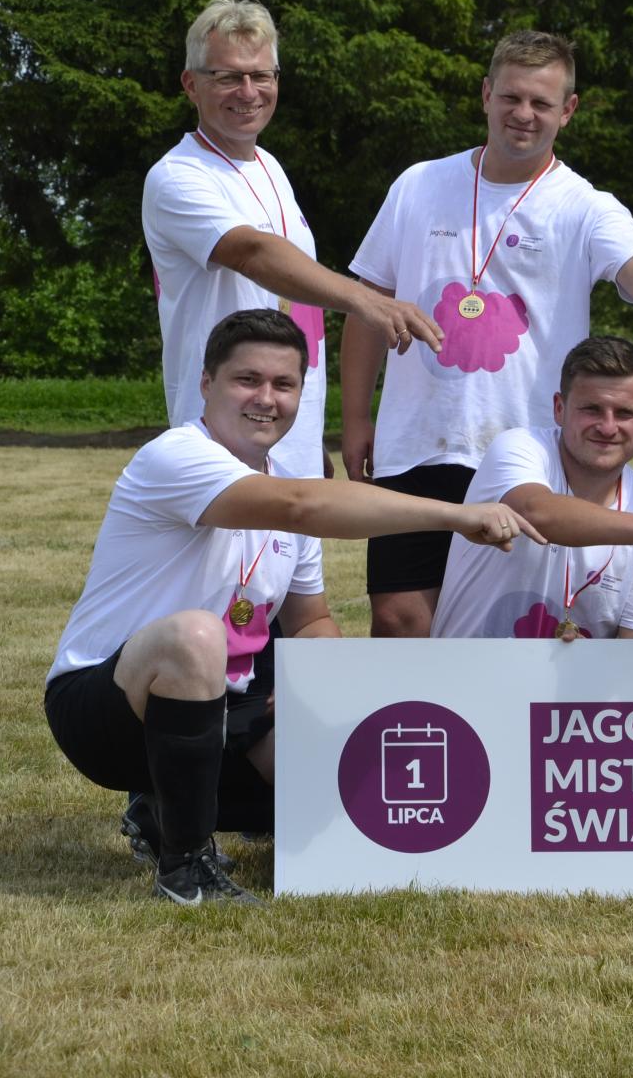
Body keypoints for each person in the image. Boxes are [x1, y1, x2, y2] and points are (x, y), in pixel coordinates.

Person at [45, 310, 539, 905]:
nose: (266, 398)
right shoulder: (176, 455)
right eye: (246, 380)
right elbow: (300, 506)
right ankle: (186, 870)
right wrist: (456, 516)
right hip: (104, 706)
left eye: (284, 384)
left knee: (345, 785)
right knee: (196, 637)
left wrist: (320, 683)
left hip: (226, 704)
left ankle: (162, 812)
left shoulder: (285, 482)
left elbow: (310, 620)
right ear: (206, 383)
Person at [340, 29, 633, 638]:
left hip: (524, 456)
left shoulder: (583, 204)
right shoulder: (418, 183)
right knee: (400, 622)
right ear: (486, 94)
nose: (523, 114)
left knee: (511, 624)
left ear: (568, 110)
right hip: (419, 440)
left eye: (541, 103)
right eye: (511, 97)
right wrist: (355, 418)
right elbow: (368, 303)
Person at [143, 0, 441, 482]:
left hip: (279, 434)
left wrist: (303, 435)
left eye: (261, 75)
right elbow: (254, 254)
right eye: (227, 76)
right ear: (191, 84)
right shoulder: (177, 176)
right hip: (223, 441)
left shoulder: (270, 167)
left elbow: (285, 305)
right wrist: (366, 300)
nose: (248, 91)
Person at [431, 337, 633, 640]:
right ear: (559, 408)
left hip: (581, 676)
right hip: (467, 668)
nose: (607, 427)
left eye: (625, 413)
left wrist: (587, 660)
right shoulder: (519, 447)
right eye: (591, 409)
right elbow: (536, 512)